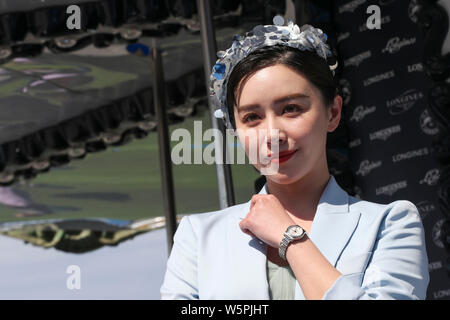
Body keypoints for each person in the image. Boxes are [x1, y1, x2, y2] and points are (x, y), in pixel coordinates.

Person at [160, 16, 430, 300]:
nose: (272, 134)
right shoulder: (199, 237)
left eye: (291, 109)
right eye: (251, 117)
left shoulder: (389, 224)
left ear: (333, 112)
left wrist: (290, 237)